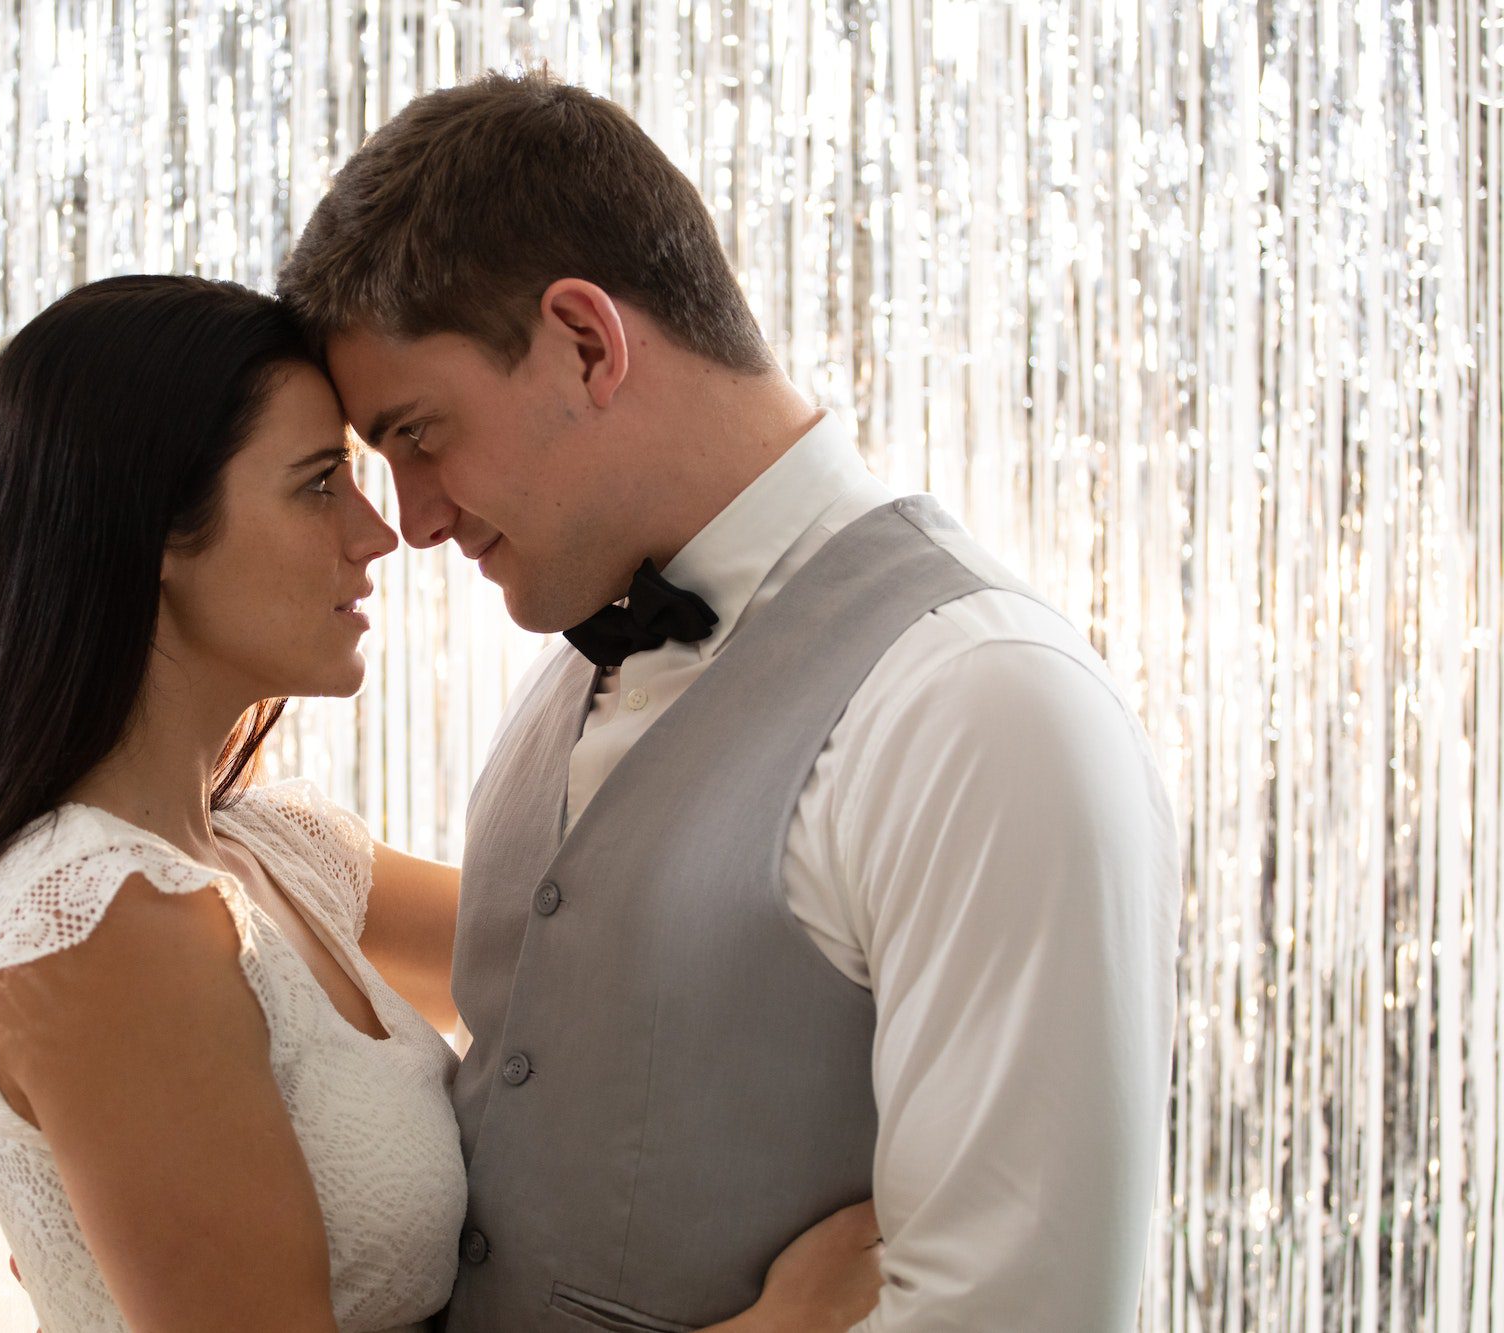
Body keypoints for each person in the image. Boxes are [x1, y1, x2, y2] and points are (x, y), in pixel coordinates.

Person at [0, 274, 885, 1332]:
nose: (379, 529)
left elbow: (589, 956)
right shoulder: (104, 927)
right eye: (316, 483)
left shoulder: (265, 853)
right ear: (155, 532)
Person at [276, 71, 1182, 1331]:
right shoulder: (564, 672)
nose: (412, 519)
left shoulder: (986, 713)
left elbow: (1010, 1312)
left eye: (419, 435)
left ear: (586, 342)